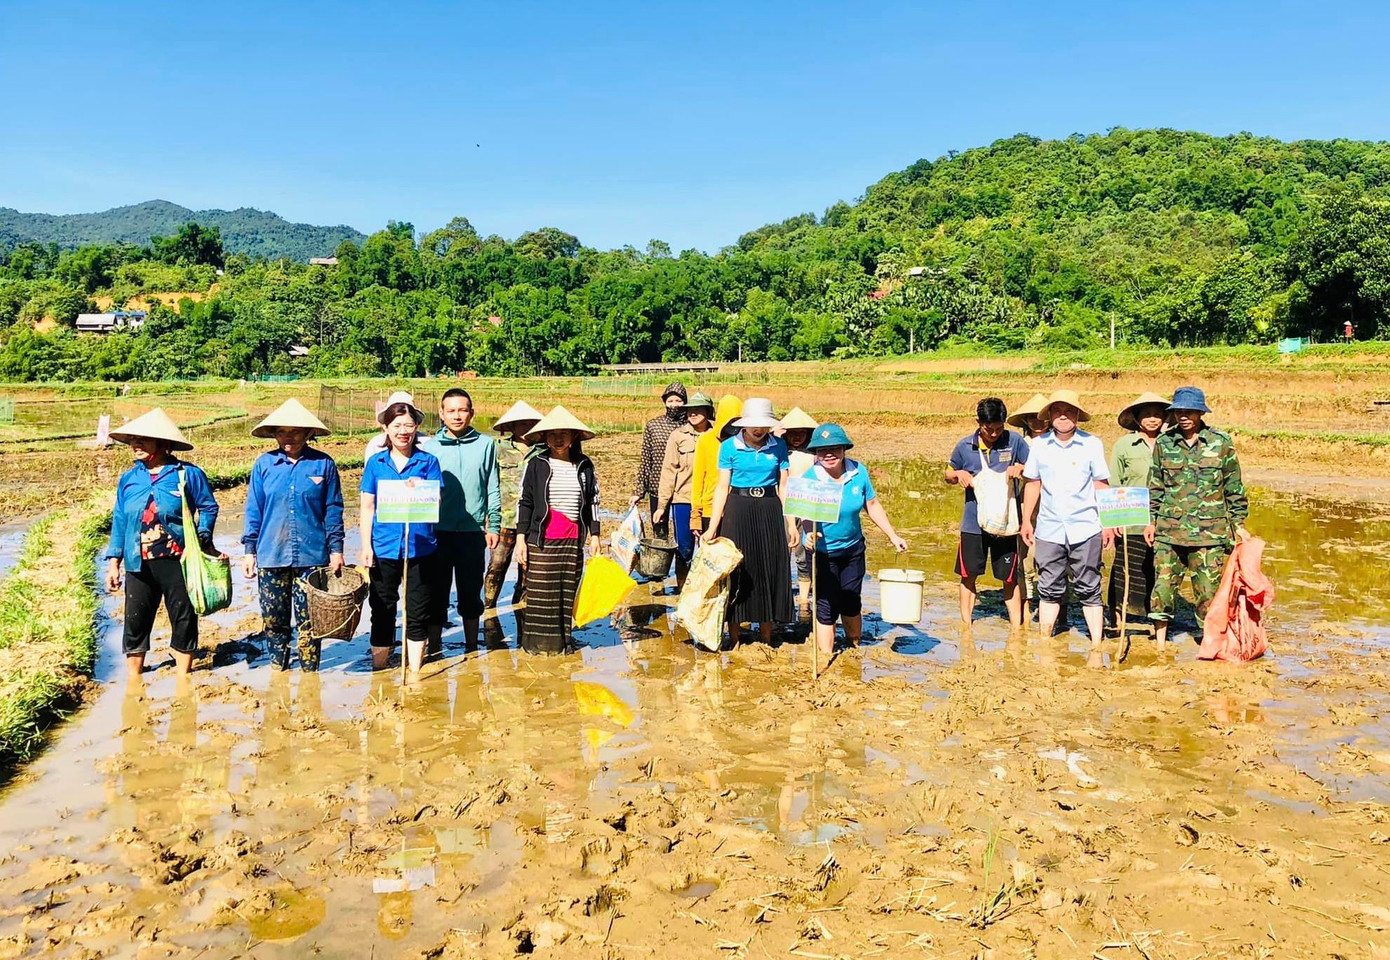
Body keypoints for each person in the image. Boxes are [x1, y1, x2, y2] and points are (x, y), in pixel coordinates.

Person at [104, 408, 221, 682]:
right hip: (137, 560)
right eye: (133, 440)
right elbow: (120, 520)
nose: (136, 445)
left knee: (183, 616)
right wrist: (113, 563)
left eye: (143, 440)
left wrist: (203, 534)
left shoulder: (186, 474)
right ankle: (134, 679)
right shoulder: (130, 479)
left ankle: (183, 678)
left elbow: (208, 507)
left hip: (177, 559)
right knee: (136, 619)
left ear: (164, 444)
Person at [241, 398, 345, 671]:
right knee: (274, 617)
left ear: (308, 433)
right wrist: (249, 551)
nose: (289, 437)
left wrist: (336, 549)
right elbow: (254, 508)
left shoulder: (323, 464)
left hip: (312, 555)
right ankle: (279, 668)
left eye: (295, 431)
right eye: (282, 432)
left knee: (310, 618)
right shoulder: (264, 465)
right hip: (271, 554)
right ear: (274, 435)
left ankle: (310, 672)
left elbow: (333, 508)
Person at [1145, 386, 1250, 650]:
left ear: (1201, 412)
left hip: (1210, 533)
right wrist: (1151, 520)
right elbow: (1155, 485)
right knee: (1163, 589)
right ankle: (1160, 644)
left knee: (1208, 593)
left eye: (1190, 411)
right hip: (1169, 531)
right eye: (1179, 411)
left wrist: (1239, 524)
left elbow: (1233, 486)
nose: (1184, 416)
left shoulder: (1220, 442)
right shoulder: (1165, 443)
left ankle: (1208, 642)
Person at [1020, 390, 1113, 666]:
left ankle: (1096, 646)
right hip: (1049, 527)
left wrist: (1107, 523)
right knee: (1048, 585)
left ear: (1076, 415)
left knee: (1090, 585)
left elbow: (1100, 484)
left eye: (1068, 410)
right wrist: (1027, 520)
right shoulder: (1039, 446)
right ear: (1049, 416)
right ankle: (1045, 641)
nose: (1062, 415)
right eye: (1057, 410)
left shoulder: (1092, 444)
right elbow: (1033, 483)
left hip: (1086, 526)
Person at [800, 424, 907, 661]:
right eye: (822, 450)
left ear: (844, 450)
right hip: (822, 552)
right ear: (815, 453)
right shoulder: (810, 479)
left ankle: (854, 647)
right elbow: (803, 515)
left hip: (852, 549)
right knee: (826, 606)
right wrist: (807, 534)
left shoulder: (859, 472)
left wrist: (892, 535)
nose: (829, 454)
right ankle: (826, 657)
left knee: (850, 599)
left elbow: (873, 505)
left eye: (835, 449)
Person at [359, 398, 442, 672]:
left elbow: (437, 500)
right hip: (384, 546)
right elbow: (367, 507)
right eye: (397, 425)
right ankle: (379, 668)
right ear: (386, 428)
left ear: (417, 427)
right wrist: (365, 545)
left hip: (421, 547)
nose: (403, 431)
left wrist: (420, 489)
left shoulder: (428, 462)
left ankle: (416, 672)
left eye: (409, 425)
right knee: (382, 608)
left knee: (417, 610)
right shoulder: (376, 463)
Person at [705, 398, 796, 646]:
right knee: (737, 571)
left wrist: (791, 523)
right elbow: (722, 488)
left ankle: (766, 635)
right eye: (754, 425)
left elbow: (784, 485)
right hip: (738, 508)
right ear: (744, 425)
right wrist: (713, 527)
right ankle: (733, 637)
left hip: (769, 508)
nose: (759, 430)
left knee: (769, 568)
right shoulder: (729, 447)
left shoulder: (778, 446)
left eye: (764, 425)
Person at [515, 406, 600, 655]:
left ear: (574, 437)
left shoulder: (584, 465)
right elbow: (526, 502)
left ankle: (563, 643)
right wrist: (521, 539)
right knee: (541, 595)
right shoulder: (537, 464)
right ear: (544, 437)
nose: (558, 439)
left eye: (564, 433)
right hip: (541, 540)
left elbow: (593, 500)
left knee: (565, 592)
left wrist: (595, 535)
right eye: (552, 434)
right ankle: (537, 646)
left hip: (572, 540)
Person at [422, 388, 500, 654]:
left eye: (462, 410)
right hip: (437, 532)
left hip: (472, 531)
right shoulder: (429, 448)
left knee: (470, 592)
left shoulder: (486, 445)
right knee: (437, 593)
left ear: (472, 413)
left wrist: (494, 524)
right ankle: (434, 647)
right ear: (442, 415)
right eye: (451, 411)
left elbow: (492, 486)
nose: (457, 416)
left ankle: (470, 646)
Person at [945, 398, 1029, 630]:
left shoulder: (1015, 442)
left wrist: (1021, 468)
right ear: (978, 422)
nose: (993, 434)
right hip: (973, 524)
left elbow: (1034, 470)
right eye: (988, 429)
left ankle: (1016, 628)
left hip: (1007, 522)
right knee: (969, 575)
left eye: (998, 428)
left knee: (1010, 578)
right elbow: (948, 474)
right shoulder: (965, 446)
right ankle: (966, 627)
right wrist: (958, 474)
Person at [1106, 392, 1168, 639]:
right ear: (1137, 418)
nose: (1153, 419)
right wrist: (1113, 521)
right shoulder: (1124, 445)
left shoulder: (1170, 444)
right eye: (1147, 414)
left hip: (1163, 520)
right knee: (1124, 568)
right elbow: (1114, 483)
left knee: (1157, 571)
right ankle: (1117, 619)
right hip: (1130, 518)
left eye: (1157, 414)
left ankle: (1156, 622)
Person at [484, 400, 544, 610]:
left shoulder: (543, 450)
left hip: (533, 519)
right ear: (511, 426)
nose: (525, 427)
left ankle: (520, 610)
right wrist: (489, 517)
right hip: (504, 517)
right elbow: (489, 482)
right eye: (520, 423)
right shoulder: (498, 448)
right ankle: (488, 607)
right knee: (497, 564)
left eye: (530, 423)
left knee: (527, 566)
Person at [654, 392, 715, 590]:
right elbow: (669, 471)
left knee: (711, 548)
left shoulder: (718, 436)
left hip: (711, 501)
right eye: (690, 410)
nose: (693, 413)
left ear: (709, 412)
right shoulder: (678, 436)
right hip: (684, 499)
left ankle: (709, 590)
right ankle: (683, 590)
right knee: (684, 550)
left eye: (699, 409)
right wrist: (662, 506)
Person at [1007, 392, 1050, 611]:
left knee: (1052, 555)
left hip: (1051, 506)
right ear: (1025, 421)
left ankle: (1053, 605)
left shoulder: (1058, 442)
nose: (1037, 421)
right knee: (1025, 555)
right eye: (1031, 417)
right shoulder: (1019, 444)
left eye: (1041, 416)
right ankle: (1025, 605)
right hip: (1025, 504)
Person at [777, 407, 819, 618]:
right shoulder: (779, 451)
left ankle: (804, 599)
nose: (796, 437)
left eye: (801, 433)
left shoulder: (815, 455)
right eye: (792, 433)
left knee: (805, 553)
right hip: (784, 508)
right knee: (783, 551)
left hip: (807, 507)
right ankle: (782, 594)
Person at [632, 382, 688, 529]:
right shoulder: (654, 426)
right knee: (659, 530)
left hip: (683, 488)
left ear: (685, 402)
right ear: (664, 402)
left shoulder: (691, 426)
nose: (674, 405)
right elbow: (646, 461)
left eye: (678, 400)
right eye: (670, 401)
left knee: (684, 532)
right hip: (657, 485)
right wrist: (639, 491)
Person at [690, 395, 742, 537]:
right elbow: (698, 480)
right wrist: (696, 515)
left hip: (737, 510)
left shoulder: (744, 442)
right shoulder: (706, 440)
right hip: (709, 510)